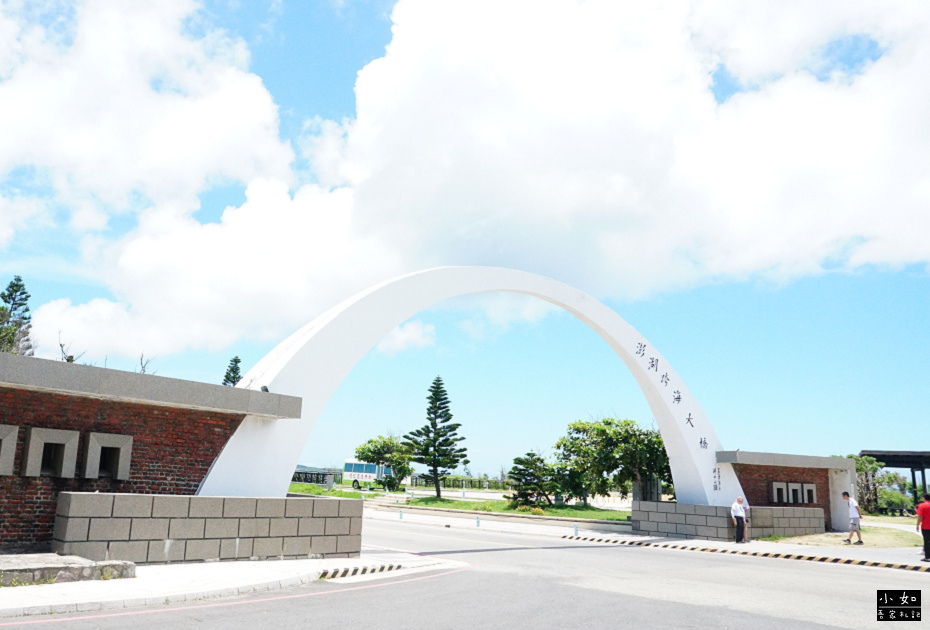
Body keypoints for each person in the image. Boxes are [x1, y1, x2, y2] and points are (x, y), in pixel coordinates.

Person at [916, 492, 930, 562]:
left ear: (924, 498)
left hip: (926, 526)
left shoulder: (922, 505)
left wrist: (917, 525)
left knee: (927, 541)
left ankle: (927, 557)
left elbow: (920, 517)